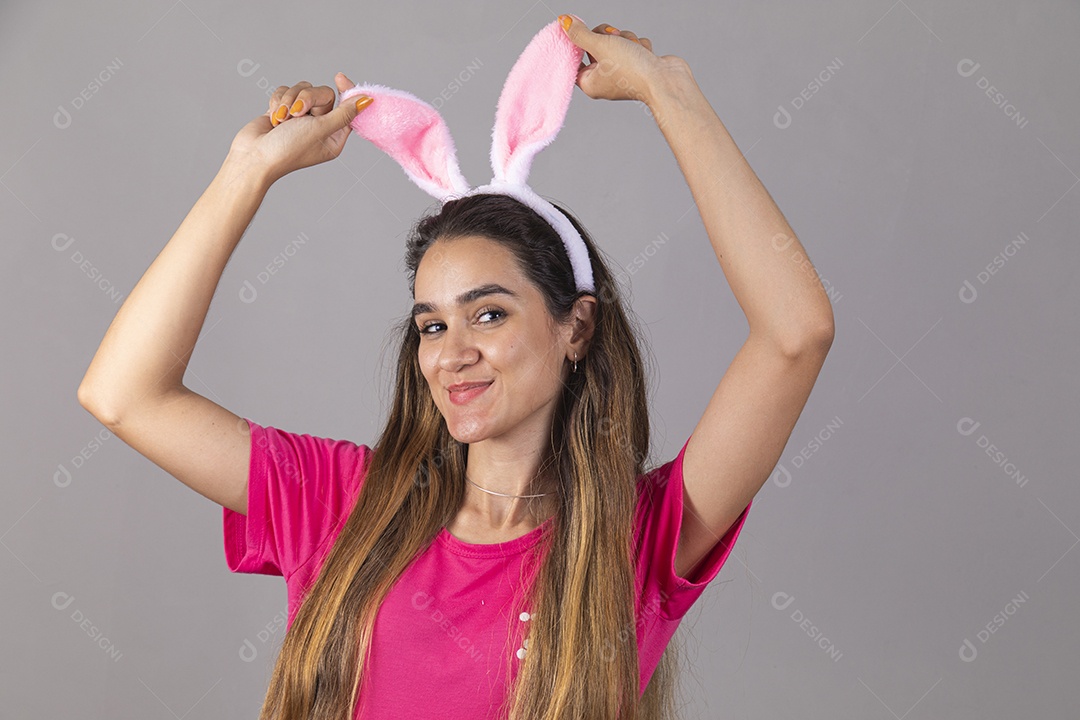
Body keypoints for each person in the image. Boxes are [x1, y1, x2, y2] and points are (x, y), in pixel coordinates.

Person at [78, 15, 834, 720]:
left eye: (490, 313)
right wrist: (247, 173)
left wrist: (671, 93)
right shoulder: (342, 505)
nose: (452, 353)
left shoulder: (639, 539)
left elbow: (795, 335)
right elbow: (123, 394)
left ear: (577, 325)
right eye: (432, 325)